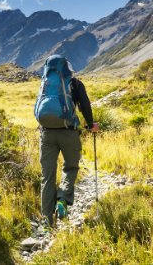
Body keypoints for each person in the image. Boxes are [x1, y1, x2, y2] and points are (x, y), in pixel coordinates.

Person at [38, 61, 98, 231]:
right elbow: (85, 105)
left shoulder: (46, 83)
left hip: (46, 134)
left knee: (47, 177)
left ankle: (47, 223)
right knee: (71, 167)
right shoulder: (76, 83)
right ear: (70, 71)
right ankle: (62, 199)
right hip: (68, 132)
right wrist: (90, 124)